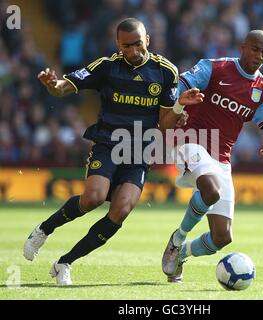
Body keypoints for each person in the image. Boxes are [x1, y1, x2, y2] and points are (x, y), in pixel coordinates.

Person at [23, 17, 203, 285]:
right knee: (93, 198)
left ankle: (65, 263)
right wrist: (54, 86)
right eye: (126, 46)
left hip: (139, 151)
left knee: (121, 210)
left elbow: (165, 127)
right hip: (108, 143)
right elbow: (65, 87)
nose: (133, 51)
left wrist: (178, 108)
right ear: (118, 44)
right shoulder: (107, 67)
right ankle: (44, 229)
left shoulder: (166, 71)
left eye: (138, 44)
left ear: (148, 41)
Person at [162, 30, 263, 283]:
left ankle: (181, 254)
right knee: (211, 189)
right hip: (189, 139)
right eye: (255, 49)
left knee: (222, 237)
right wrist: (178, 105)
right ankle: (177, 239)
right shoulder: (214, 68)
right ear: (242, 47)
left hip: (221, 156)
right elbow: (180, 86)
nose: (259, 55)